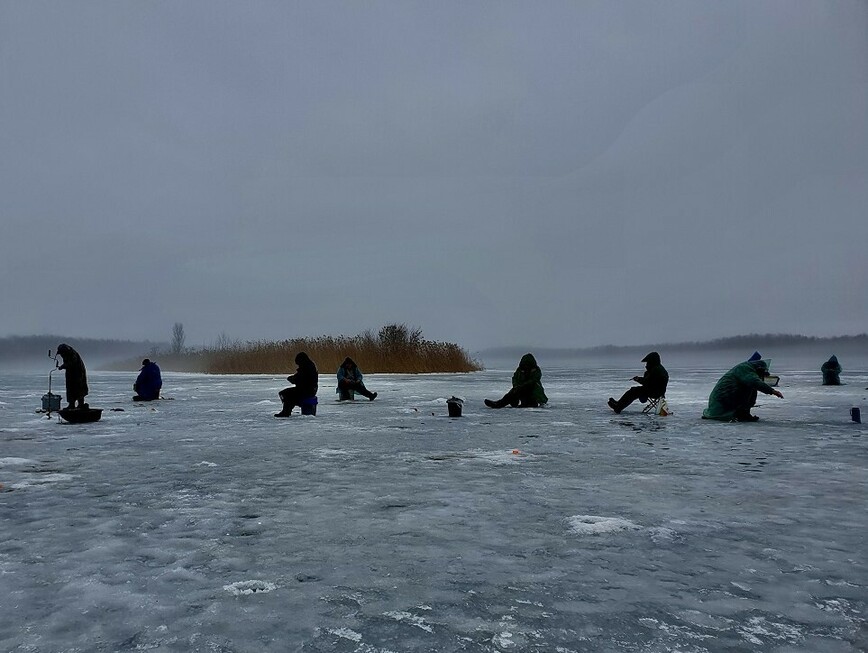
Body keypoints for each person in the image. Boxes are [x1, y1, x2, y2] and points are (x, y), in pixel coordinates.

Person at [702, 357, 783, 422]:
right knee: (750, 387)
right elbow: (754, 381)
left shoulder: (747, 368)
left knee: (751, 389)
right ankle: (738, 414)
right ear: (759, 368)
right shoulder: (745, 369)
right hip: (724, 396)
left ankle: (742, 413)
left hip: (727, 395)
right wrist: (772, 391)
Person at [275, 351, 318, 417]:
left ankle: (286, 411)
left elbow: (300, 379)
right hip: (310, 390)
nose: (298, 365)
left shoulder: (306, 368)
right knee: (289, 394)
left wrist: (292, 378)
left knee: (284, 393)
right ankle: (287, 410)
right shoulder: (309, 366)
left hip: (306, 391)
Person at [56, 343, 88, 409]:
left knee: (79, 388)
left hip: (78, 374)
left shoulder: (72, 354)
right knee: (70, 389)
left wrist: (62, 366)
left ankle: (81, 404)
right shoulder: (67, 354)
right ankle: (71, 404)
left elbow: (72, 364)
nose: (61, 355)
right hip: (70, 374)